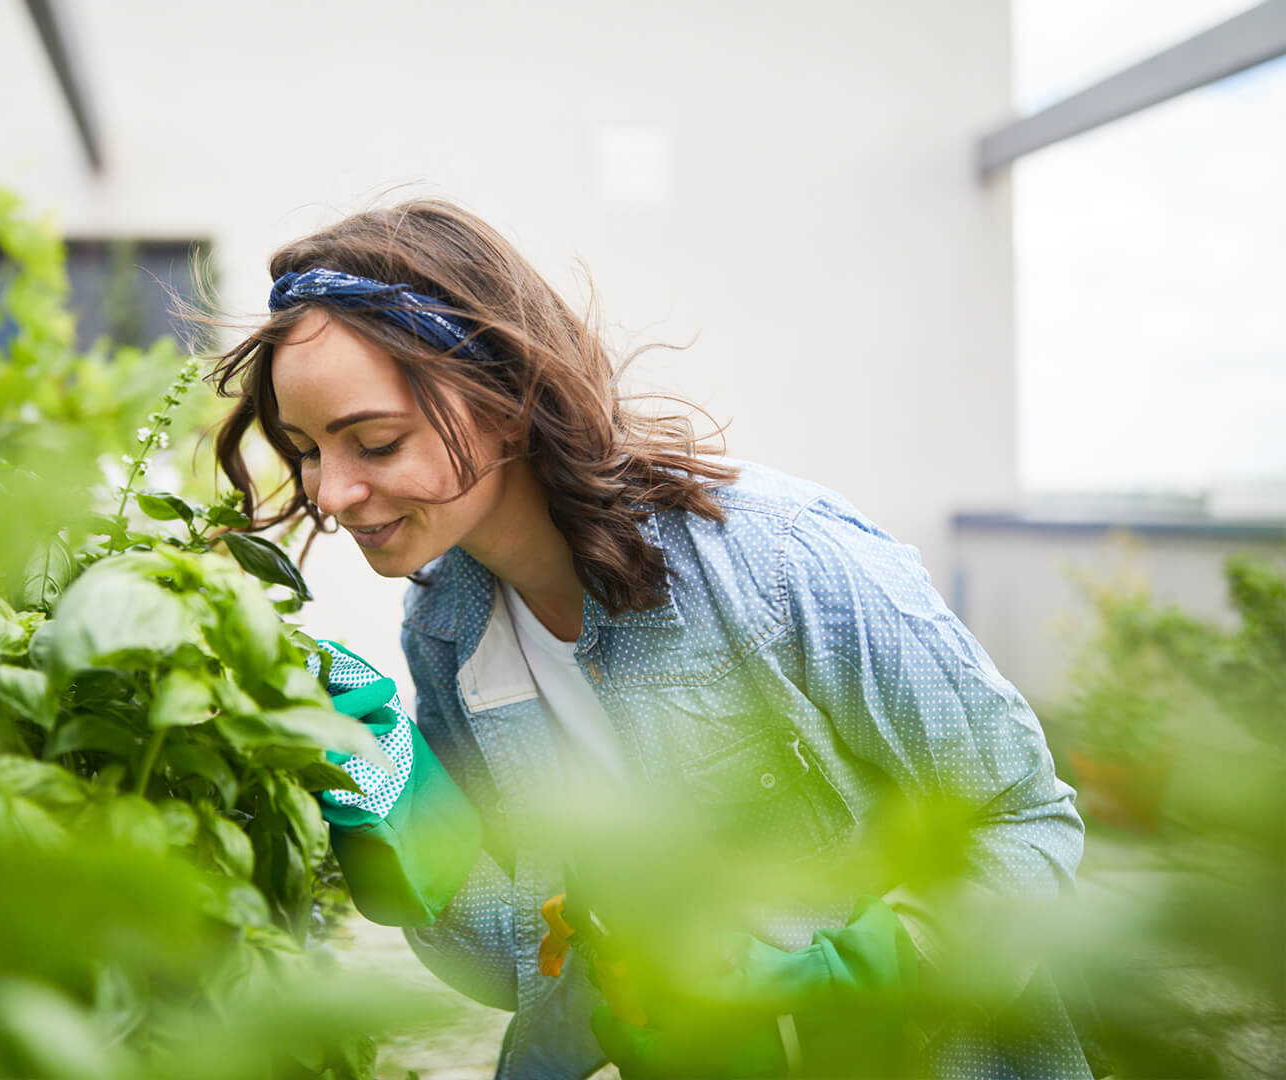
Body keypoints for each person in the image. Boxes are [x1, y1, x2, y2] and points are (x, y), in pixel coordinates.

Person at [209, 199, 1091, 1079]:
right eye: (308, 449)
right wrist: (401, 804)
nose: (331, 492)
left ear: (505, 399)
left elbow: (1026, 821)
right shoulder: (447, 629)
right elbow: (525, 963)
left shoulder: (777, 561)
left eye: (375, 442)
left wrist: (856, 980)